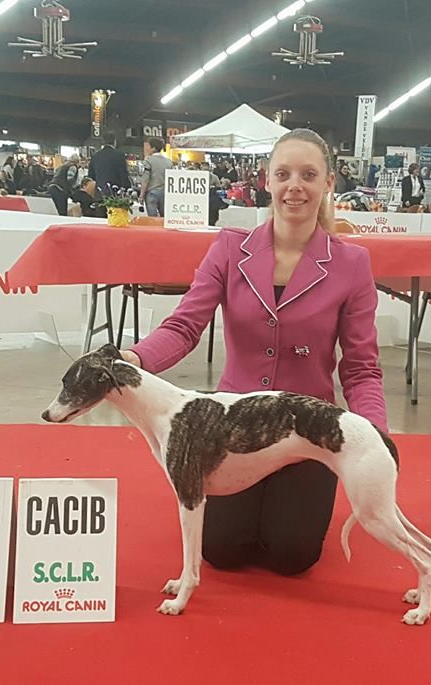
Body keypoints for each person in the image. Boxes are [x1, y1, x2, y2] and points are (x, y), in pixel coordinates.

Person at [119, 128, 387, 576]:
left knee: (292, 556)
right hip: (232, 426)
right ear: (266, 180)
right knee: (223, 552)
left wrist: (375, 433)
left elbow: (361, 369)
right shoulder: (229, 249)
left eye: (308, 175)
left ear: (328, 183)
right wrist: (134, 360)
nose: (294, 186)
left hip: (309, 430)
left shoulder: (352, 264)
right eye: (283, 174)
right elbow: (184, 327)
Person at [140, 137, 172, 217]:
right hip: (165, 193)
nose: (146, 148)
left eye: (148, 146)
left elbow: (145, 179)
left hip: (152, 192)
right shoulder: (169, 162)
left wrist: (141, 195)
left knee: (152, 219)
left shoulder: (148, 161)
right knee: (164, 218)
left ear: (153, 148)